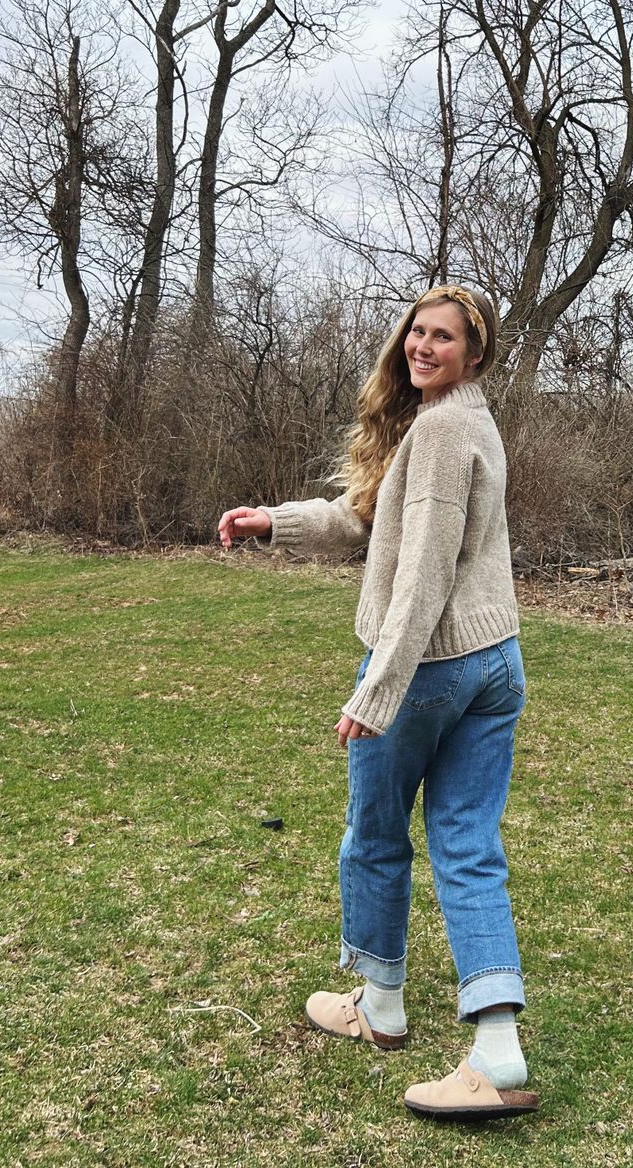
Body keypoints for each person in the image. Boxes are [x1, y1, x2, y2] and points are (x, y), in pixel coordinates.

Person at [216, 284, 538, 1120]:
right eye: (417, 333)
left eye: (444, 337)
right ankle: (496, 1051)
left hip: (428, 669)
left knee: (374, 834)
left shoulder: (439, 433)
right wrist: (274, 522)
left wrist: (381, 686)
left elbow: (423, 573)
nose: (423, 347)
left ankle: (383, 1002)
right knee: (467, 844)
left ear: (475, 352)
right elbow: (369, 521)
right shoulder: (467, 421)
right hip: (495, 661)